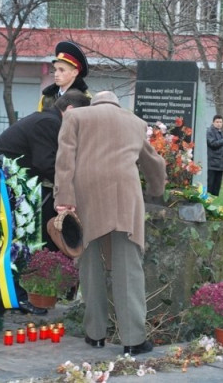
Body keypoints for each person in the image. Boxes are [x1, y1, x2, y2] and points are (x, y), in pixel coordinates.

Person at [54, 91, 166, 355]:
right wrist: (155, 191)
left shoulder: (75, 116)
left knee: (90, 262)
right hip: (124, 196)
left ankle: (95, 334)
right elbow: (154, 163)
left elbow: (65, 158)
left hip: (86, 196)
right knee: (128, 266)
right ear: (117, 104)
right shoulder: (135, 122)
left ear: (95, 102)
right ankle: (133, 340)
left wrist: (64, 197)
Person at [0, 89, 90, 315]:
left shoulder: (49, 121)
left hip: (6, 183)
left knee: (15, 239)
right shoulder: (48, 123)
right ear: (70, 111)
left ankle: (17, 295)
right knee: (10, 240)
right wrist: (72, 189)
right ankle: (12, 296)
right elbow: (46, 163)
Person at [38, 41, 91, 111]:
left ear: (74, 73)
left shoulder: (85, 100)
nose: (56, 74)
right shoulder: (46, 97)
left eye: (62, 70)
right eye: (55, 69)